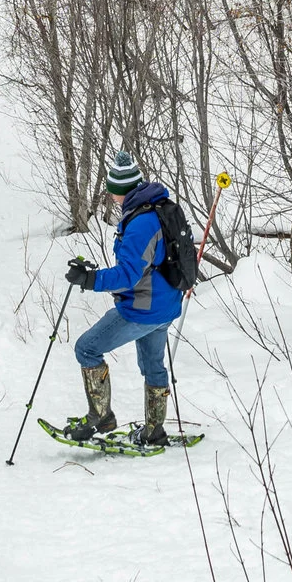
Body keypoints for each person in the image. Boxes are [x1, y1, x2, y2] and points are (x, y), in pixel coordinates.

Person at [60, 150, 183, 446]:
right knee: (153, 366)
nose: (111, 196)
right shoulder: (156, 208)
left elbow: (129, 274)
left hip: (143, 308)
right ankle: (154, 430)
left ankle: (100, 416)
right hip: (165, 306)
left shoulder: (140, 223)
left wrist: (91, 279)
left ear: (121, 191)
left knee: (86, 348)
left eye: (112, 191)